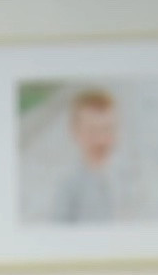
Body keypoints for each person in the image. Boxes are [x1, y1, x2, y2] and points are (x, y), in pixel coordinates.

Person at [52, 88, 124, 224]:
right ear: (75, 132)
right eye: (92, 131)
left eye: (108, 129)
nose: (101, 139)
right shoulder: (69, 185)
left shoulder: (117, 175)